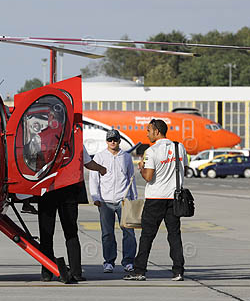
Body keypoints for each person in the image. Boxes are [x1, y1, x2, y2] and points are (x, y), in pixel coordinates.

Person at [124, 119, 189, 282]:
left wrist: (141, 168)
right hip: (174, 197)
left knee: (147, 236)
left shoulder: (151, 151)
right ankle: (178, 271)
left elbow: (148, 176)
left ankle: (139, 271)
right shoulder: (179, 147)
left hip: (155, 198)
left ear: (157, 132)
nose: (147, 134)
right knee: (174, 235)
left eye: (148, 130)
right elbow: (184, 170)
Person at [38, 144, 107, 282]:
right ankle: (76, 272)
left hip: (47, 191)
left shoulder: (42, 139)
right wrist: (101, 168)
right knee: (71, 233)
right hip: (68, 192)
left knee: (46, 234)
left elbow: (34, 163)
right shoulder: (75, 141)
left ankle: (47, 272)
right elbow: (88, 163)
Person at [89, 129, 137, 273]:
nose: (112, 142)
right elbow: (94, 178)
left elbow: (131, 178)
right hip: (105, 200)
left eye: (115, 140)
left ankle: (128, 261)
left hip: (124, 200)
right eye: (110, 140)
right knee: (107, 233)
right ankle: (109, 261)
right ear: (106, 141)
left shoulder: (126, 157)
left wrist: (133, 198)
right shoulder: (99, 156)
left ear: (119, 141)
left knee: (129, 232)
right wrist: (95, 197)